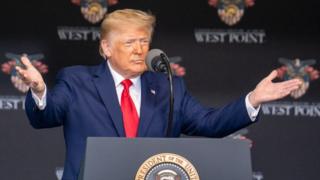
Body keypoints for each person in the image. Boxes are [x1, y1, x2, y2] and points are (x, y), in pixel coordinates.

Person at [16, 9, 301, 180]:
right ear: (106, 47)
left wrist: (253, 100)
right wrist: (39, 91)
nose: (140, 50)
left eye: (144, 41)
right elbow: (46, 116)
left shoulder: (168, 87)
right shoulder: (77, 80)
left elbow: (209, 123)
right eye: (129, 42)